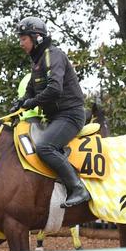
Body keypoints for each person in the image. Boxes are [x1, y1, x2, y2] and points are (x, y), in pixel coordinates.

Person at [10, 16, 90, 207]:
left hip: (70, 115)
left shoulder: (52, 55)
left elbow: (55, 89)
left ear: (36, 37)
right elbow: (30, 89)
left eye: (23, 39)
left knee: (45, 147)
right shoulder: (37, 61)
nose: (21, 43)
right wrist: (19, 104)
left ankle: (78, 188)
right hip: (55, 117)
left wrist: (30, 103)